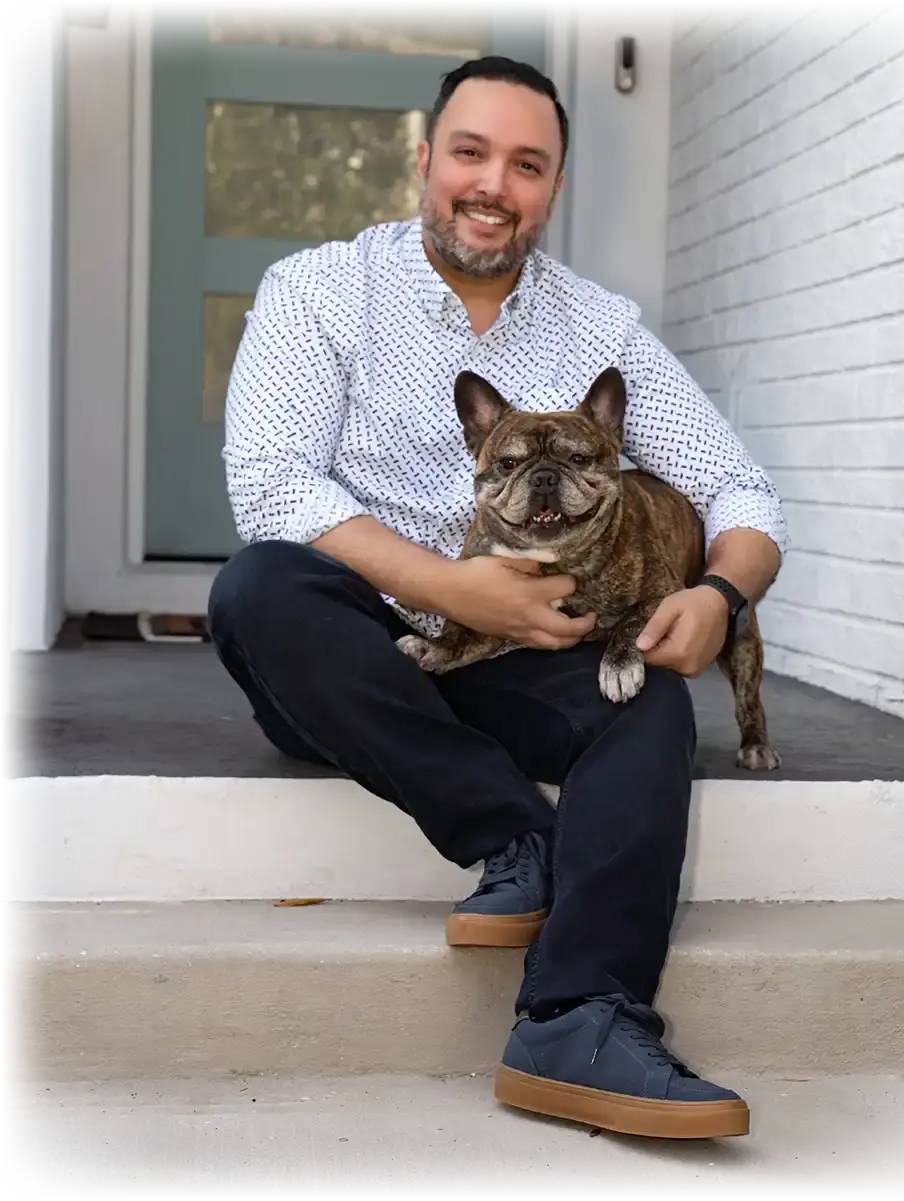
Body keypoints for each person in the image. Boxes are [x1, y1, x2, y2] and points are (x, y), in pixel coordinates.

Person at [208, 56, 787, 1140]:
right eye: (469, 153)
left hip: (527, 654)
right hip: (372, 660)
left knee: (649, 696)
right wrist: (458, 590)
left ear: (553, 186)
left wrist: (717, 593)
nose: (492, 184)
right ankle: (516, 837)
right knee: (261, 586)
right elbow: (271, 483)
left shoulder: (600, 328)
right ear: (424, 158)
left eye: (526, 165)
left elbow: (739, 488)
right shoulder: (318, 290)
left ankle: (579, 1018)